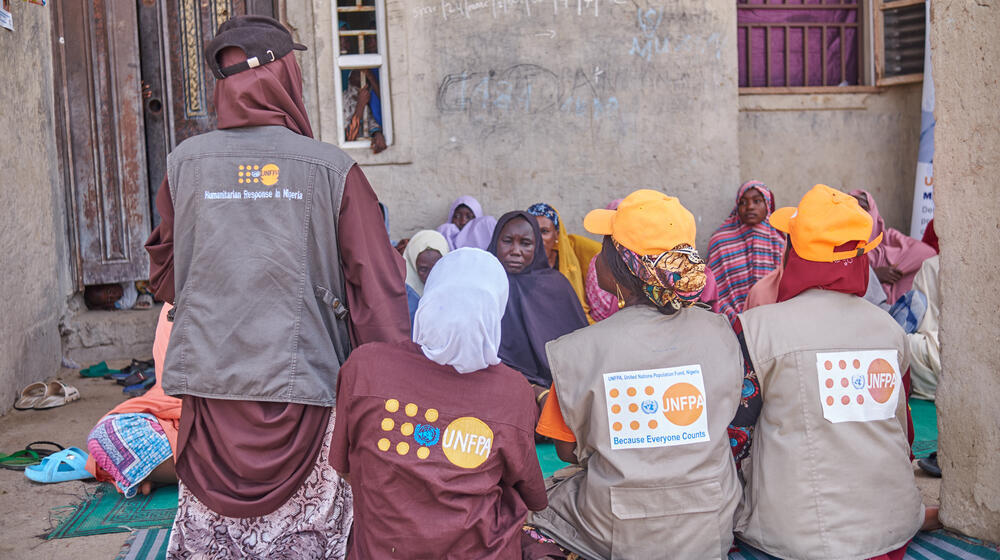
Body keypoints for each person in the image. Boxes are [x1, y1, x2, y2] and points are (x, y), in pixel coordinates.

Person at [144, 16, 410, 558]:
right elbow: (377, 289)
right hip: (306, 389)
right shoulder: (331, 169)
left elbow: (165, 275)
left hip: (211, 386)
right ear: (282, 76)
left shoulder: (183, 165)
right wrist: (395, 375)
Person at [526, 190, 744, 560]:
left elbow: (567, 451)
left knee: (530, 516)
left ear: (623, 266)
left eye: (605, 246)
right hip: (710, 521)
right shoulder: (723, 332)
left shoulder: (578, 350)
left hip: (618, 527)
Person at [735, 184, 935, 560]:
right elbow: (905, 434)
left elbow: (735, 437)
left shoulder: (755, 329)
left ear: (792, 251)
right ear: (860, 258)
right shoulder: (889, 330)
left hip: (793, 537)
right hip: (891, 530)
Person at [329, 248, 548, 558]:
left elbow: (344, 467)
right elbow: (532, 494)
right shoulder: (513, 391)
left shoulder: (364, 366)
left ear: (430, 297)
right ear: (496, 310)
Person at [487, 211, 588, 399]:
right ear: (495, 242)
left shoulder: (556, 286)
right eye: (507, 241)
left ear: (538, 247)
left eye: (525, 244)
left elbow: (578, 353)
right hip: (494, 388)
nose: (516, 251)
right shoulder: (483, 284)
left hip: (555, 394)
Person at [85, 303, 180, 498]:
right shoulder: (175, 300)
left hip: (237, 421)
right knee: (106, 435)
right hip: (186, 414)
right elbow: (172, 388)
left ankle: (169, 474)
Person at [707, 180, 786, 323]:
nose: (750, 207)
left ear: (767, 205)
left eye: (757, 201)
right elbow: (714, 289)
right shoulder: (720, 242)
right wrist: (737, 321)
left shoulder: (780, 244)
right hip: (729, 324)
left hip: (773, 322)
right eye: (743, 202)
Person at [850, 189, 937, 305]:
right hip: (862, 308)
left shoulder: (889, 237)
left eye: (865, 211)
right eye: (855, 212)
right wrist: (873, 275)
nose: (862, 217)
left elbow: (927, 254)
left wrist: (895, 267)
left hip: (896, 304)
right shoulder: (844, 246)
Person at [526, 203, 602, 322]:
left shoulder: (568, 255)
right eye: (532, 231)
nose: (538, 238)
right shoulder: (520, 264)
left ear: (556, 235)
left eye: (544, 231)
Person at [402, 230, 450, 328]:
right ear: (412, 267)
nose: (431, 275)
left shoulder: (453, 292)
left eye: (437, 266)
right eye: (423, 269)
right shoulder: (404, 297)